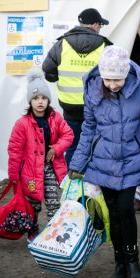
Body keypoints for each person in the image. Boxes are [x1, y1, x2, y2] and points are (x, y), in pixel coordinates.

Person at [68, 46, 140, 278]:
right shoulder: (93, 90)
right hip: (103, 163)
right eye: (108, 79)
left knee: (126, 210)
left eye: (117, 80)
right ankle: (119, 262)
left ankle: (133, 261)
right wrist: (77, 162)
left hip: (131, 161)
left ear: (126, 75)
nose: (112, 85)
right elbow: (88, 130)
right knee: (113, 213)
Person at [8, 69, 73, 242]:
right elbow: (14, 150)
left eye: (43, 98)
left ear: (48, 100)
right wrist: (14, 175)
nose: (40, 102)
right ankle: (33, 231)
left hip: (51, 168)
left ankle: (54, 233)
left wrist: (57, 148)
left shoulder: (56, 118)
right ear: (30, 100)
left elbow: (68, 135)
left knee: (53, 202)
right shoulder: (22, 124)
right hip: (30, 172)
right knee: (33, 204)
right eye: (36, 98)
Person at [42, 8, 112, 167]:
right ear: (94, 25)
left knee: (72, 145)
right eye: (100, 25)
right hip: (96, 106)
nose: (100, 28)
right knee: (95, 144)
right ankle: (93, 184)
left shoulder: (62, 43)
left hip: (70, 106)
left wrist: (57, 77)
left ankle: (70, 184)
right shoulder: (104, 46)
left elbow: (47, 69)